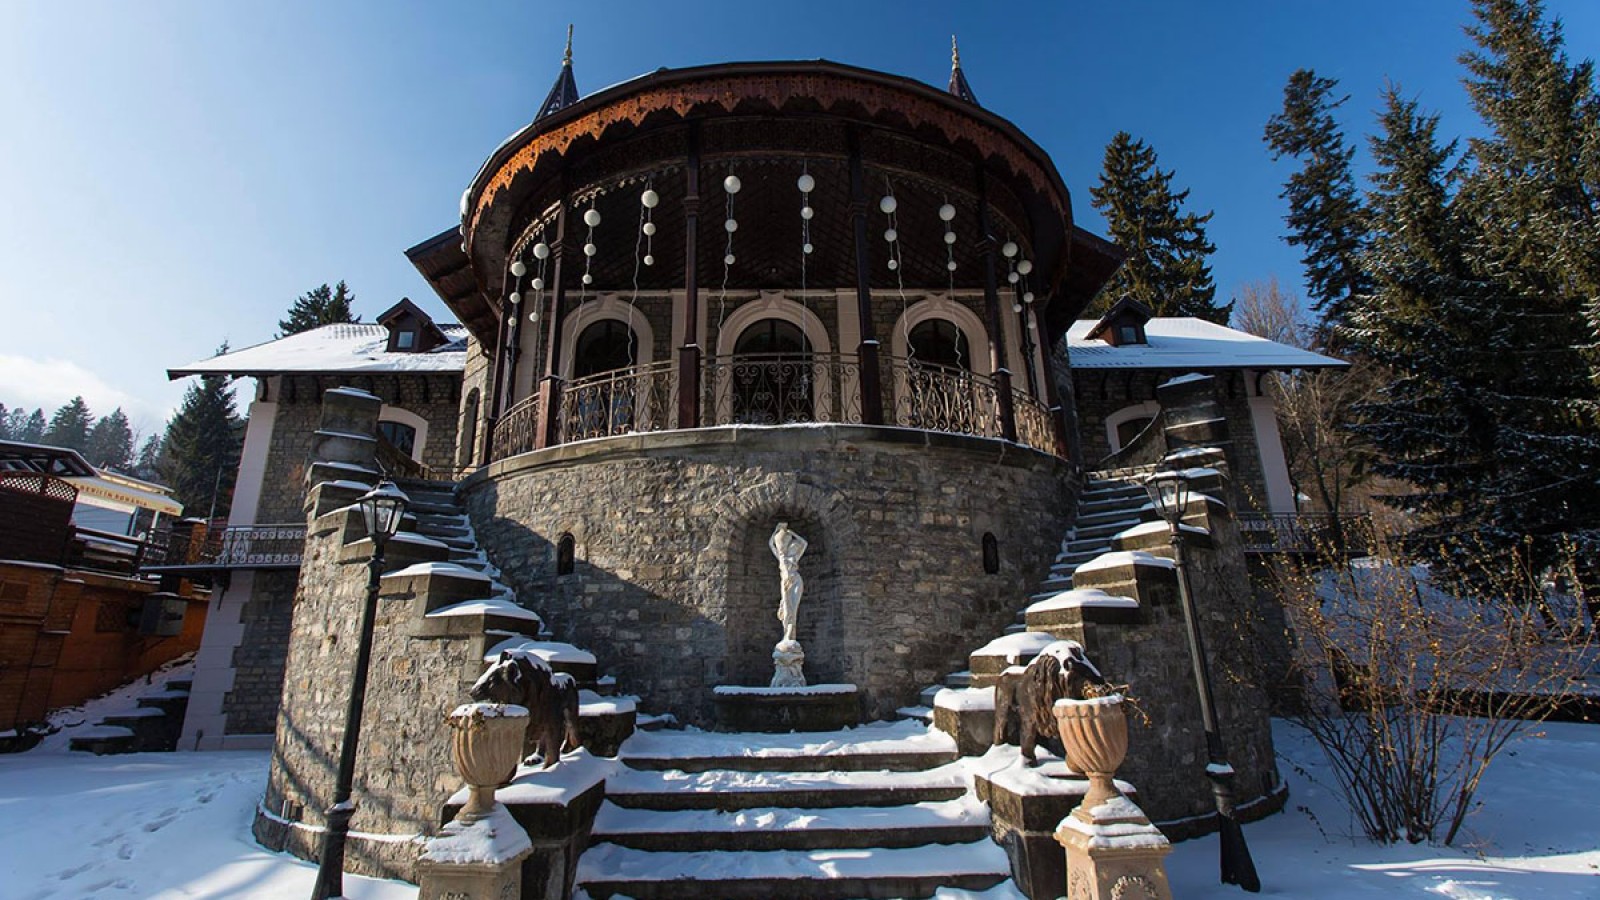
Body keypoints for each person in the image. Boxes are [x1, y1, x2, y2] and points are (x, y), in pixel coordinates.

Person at [769, 522, 808, 642]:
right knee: (786, 611)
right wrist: (776, 531)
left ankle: (790, 638)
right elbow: (771, 544)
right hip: (786, 583)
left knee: (793, 611)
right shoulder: (781, 557)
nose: (793, 549)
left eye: (793, 547)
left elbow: (804, 543)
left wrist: (793, 533)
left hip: (796, 581)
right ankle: (786, 637)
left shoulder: (794, 558)